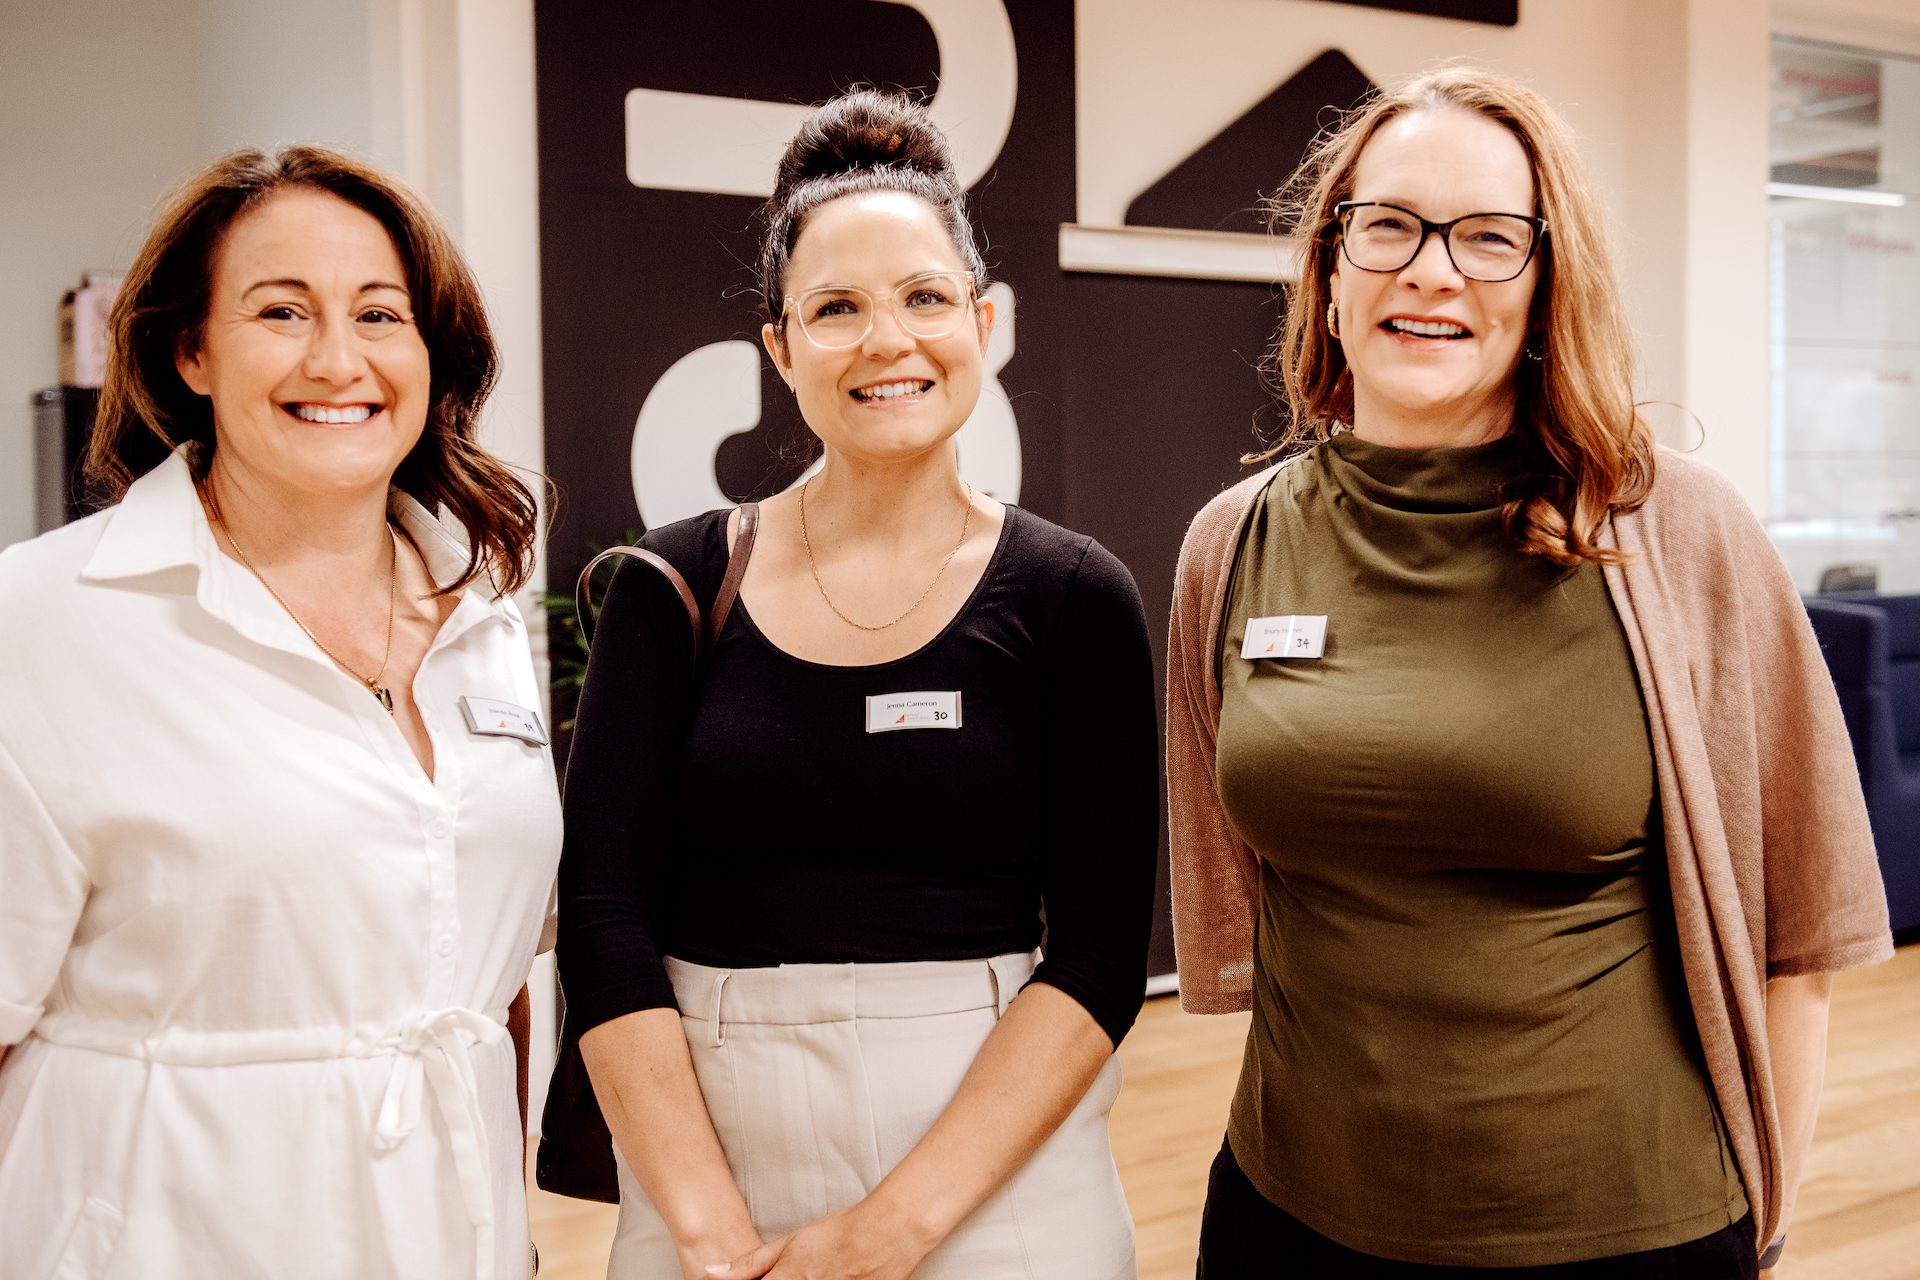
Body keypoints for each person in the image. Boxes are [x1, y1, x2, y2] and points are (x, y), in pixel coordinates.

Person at [1165, 67, 1893, 1279]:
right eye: (1388, 225)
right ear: (1330, 273)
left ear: (1548, 287)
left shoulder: (1682, 533)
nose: (1432, 270)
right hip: (1289, 1215)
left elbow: (1796, 928)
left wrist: (1766, 1214)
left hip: (1625, 1228)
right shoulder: (1232, 542)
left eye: (1489, 238)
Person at [556, 90, 1157, 1280]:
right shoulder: (670, 583)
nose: (888, 340)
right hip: (708, 1163)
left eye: (926, 298)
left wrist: (891, 1233)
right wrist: (713, 1234)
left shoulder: (1073, 592)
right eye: (836, 308)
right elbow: (602, 918)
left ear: (982, 322)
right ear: (780, 347)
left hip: (998, 1169)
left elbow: (1095, 952)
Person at [0, 146, 560, 1280]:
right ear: (190, 351)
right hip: (162, 1230)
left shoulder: (480, 609)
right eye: (281, 310)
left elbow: (483, 983)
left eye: (379, 313)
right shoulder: (45, 616)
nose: (337, 358)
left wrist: (511, 1223)